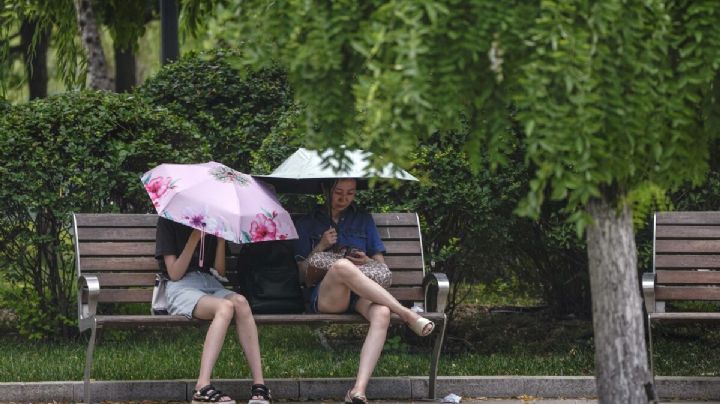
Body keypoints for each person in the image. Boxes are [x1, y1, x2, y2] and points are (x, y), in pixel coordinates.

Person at [293, 178, 435, 404]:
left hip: (361, 294)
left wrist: (365, 260)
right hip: (328, 295)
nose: (344, 198)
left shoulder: (363, 220)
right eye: (339, 192)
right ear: (326, 190)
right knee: (341, 266)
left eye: (350, 193)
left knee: (382, 313)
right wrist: (321, 245)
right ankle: (407, 314)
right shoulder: (307, 222)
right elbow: (301, 273)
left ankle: (357, 391)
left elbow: (380, 266)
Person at [155, 217, 271, 404]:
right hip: (181, 287)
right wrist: (193, 240)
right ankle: (201, 387)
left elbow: (220, 271)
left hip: (209, 282)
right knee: (225, 307)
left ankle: (259, 386)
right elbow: (175, 274)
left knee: (241, 302)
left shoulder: (210, 219)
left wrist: (220, 239)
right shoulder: (168, 221)